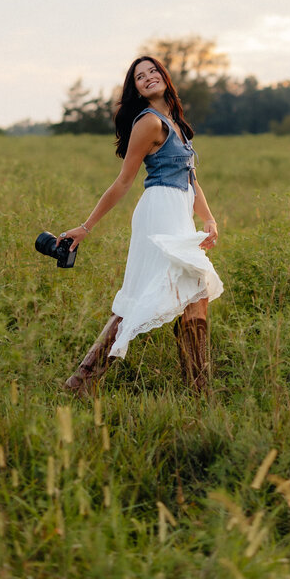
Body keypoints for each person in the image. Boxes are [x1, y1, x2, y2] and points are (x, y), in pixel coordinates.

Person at [56, 55, 223, 395]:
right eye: (139, 77)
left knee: (195, 293)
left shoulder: (177, 122)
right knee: (160, 291)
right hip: (158, 212)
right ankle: (82, 383)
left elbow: (192, 180)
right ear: (135, 89)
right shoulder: (148, 123)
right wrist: (85, 227)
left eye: (153, 71)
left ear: (164, 76)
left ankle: (196, 389)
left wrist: (208, 217)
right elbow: (123, 182)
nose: (148, 78)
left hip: (179, 211)